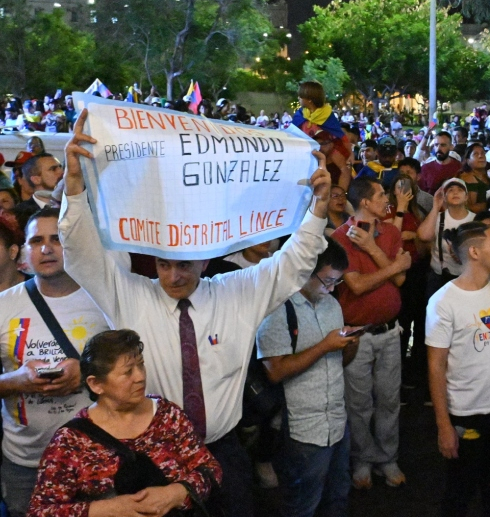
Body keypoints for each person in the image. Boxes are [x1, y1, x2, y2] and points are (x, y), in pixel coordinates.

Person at [59, 110, 334, 517]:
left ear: (205, 261)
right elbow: (81, 255)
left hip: (224, 450)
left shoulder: (237, 293)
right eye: (164, 264)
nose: (173, 275)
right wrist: (75, 186)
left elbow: (292, 263)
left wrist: (318, 209)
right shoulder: (128, 295)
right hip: (153, 457)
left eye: (184, 264)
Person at [28, 330, 222, 517]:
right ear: (96, 384)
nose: (140, 377)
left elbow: (210, 470)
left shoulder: (167, 415)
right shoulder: (71, 441)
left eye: (141, 365)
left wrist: (175, 494)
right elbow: (40, 511)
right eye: (128, 371)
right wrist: (106, 510)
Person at [0, 209, 111, 517]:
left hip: (95, 455)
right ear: (24, 251)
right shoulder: (3, 306)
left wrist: (85, 374)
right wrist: (16, 381)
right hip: (25, 463)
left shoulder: (105, 300)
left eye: (57, 239)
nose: (46, 248)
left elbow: (134, 371)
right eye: (36, 241)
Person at [256, 241, 359, 517]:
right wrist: (325, 346)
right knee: (302, 503)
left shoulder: (332, 305)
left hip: (337, 419)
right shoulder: (277, 310)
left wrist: (350, 346)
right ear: (305, 271)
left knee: (337, 497)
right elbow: (275, 371)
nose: (332, 288)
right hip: (303, 427)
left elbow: (340, 362)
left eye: (337, 281)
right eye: (327, 281)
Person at [425, 222, 490, 517]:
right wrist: (443, 425)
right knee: (459, 492)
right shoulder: (443, 302)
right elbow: (436, 365)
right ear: (475, 252)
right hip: (467, 414)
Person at [330, 177, 410, 490]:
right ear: (365, 202)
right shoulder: (340, 237)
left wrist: (373, 249)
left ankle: (387, 457)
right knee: (359, 404)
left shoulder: (389, 231)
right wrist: (391, 267)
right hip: (358, 334)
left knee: (390, 399)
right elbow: (358, 285)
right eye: (381, 195)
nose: (388, 199)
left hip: (390, 332)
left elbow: (401, 281)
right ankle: (363, 458)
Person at [417, 179, 477, 292]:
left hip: (467, 277)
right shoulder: (437, 217)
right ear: (444, 197)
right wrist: (436, 206)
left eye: (460, 190)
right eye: (450, 190)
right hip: (439, 277)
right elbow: (424, 236)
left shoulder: (475, 219)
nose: (455, 193)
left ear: (466, 197)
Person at [458, 145, 490, 215]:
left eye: (483, 153)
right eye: (475, 154)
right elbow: (471, 208)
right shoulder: (468, 178)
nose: (480, 156)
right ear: (468, 161)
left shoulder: (488, 174)